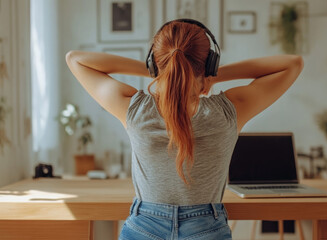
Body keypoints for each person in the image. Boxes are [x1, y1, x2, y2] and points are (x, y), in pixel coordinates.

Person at [66, 18, 303, 240]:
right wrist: (210, 76)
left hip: (144, 228)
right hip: (207, 229)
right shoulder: (229, 111)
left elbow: (75, 59)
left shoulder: (135, 109)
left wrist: (158, 72)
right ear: (209, 64)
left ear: (155, 62)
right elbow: (292, 64)